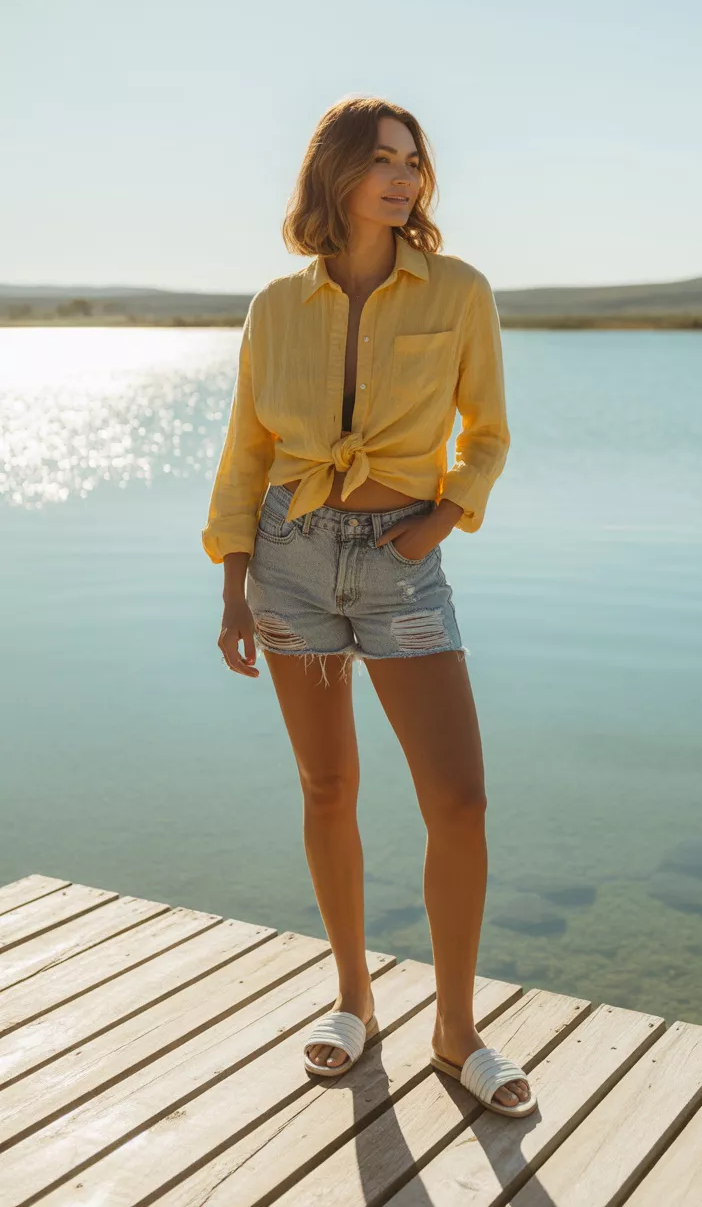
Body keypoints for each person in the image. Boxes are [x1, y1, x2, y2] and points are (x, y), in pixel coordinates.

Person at [202, 96, 536, 1116]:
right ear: (336, 174)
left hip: (402, 565)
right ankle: (353, 999)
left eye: (414, 161)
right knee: (327, 789)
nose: (404, 178)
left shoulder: (461, 291)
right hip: (290, 567)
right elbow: (247, 452)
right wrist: (232, 584)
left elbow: (487, 433)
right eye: (382, 160)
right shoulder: (275, 305)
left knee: (460, 803)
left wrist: (440, 522)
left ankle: (455, 1029)